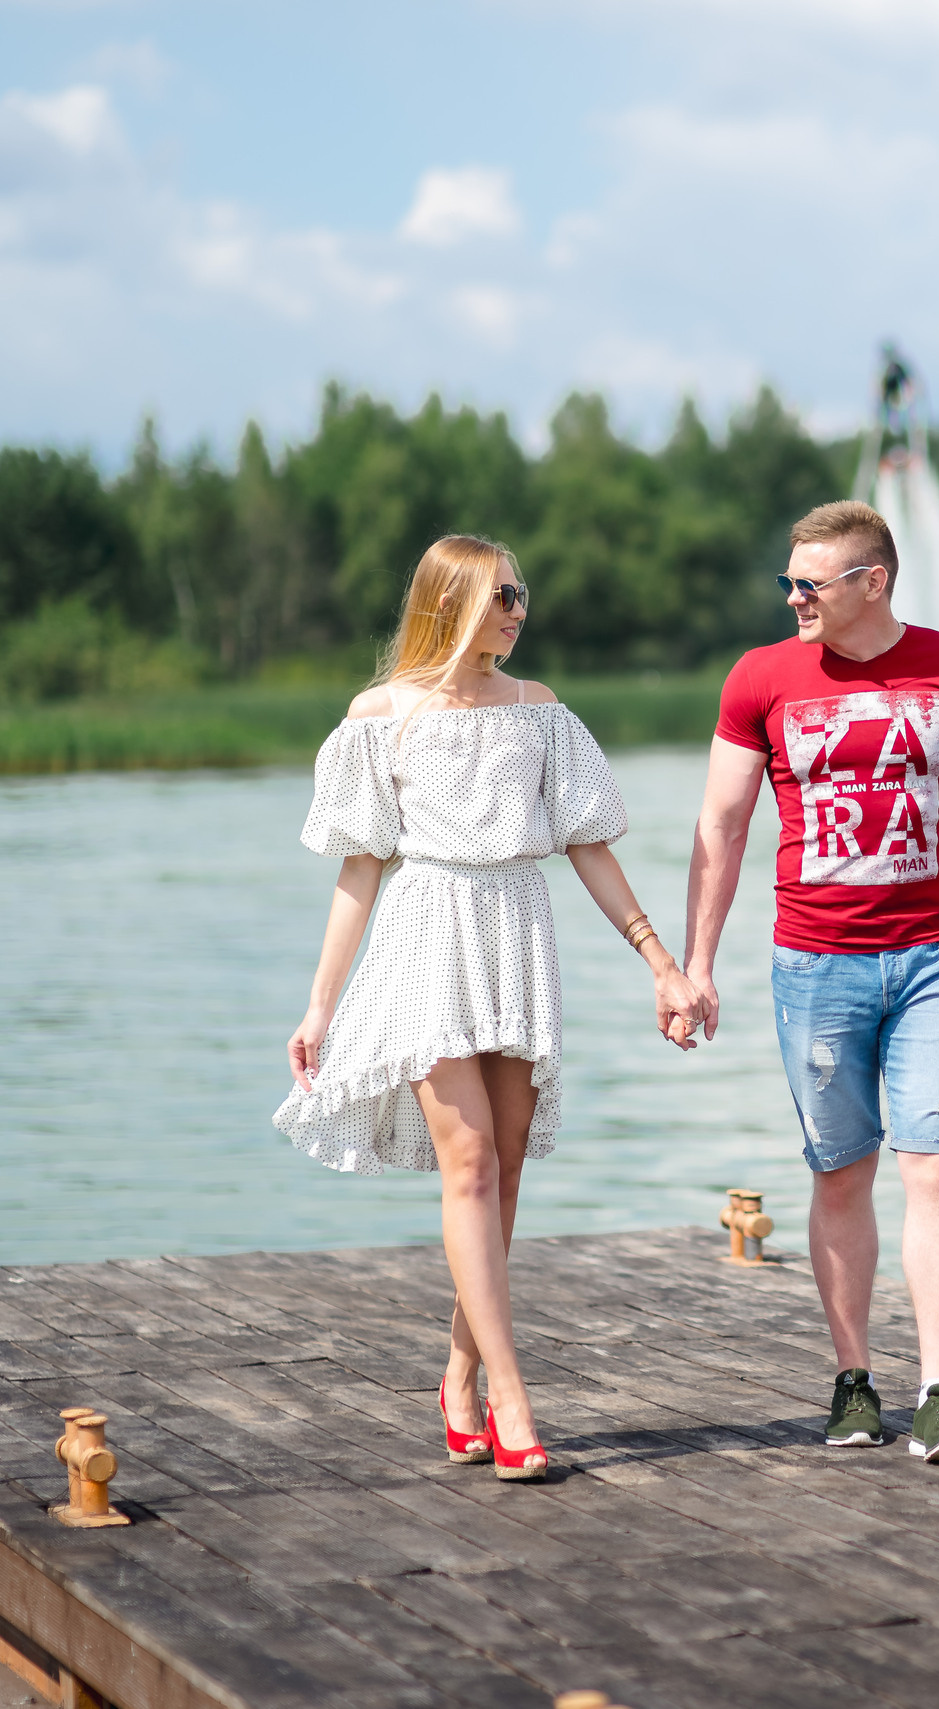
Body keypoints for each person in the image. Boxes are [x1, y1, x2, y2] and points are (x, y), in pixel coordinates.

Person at [274, 534, 704, 1482]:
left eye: (522, 594)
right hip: (427, 934)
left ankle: (461, 1374)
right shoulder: (379, 714)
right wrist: (319, 1008)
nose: (518, 608)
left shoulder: (539, 712)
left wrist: (660, 962)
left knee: (505, 1169)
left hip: (515, 929)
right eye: (502, 593)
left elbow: (588, 844)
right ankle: (513, 1397)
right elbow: (360, 868)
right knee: (466, 1161)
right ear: (452, 599)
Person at [683, 499, 939, 1465]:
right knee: (841, 1175)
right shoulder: (761, 677)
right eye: (788, 580)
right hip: (815, 966)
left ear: (870, 582)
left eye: (811, 583)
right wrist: (696, 966)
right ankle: (853, 1381)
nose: (793, 596)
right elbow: (720, 827)